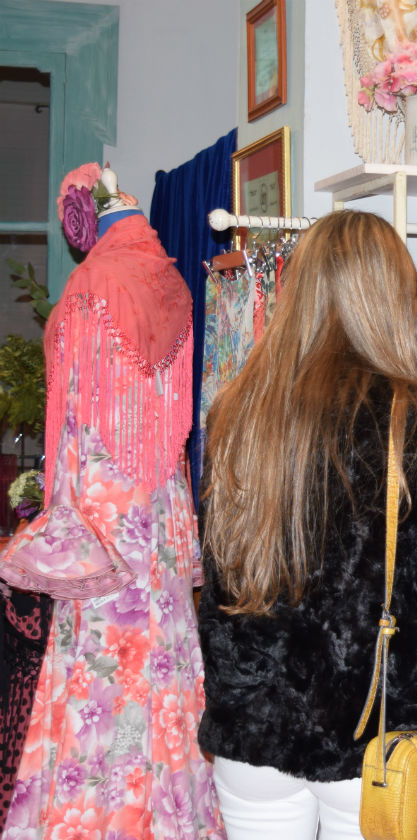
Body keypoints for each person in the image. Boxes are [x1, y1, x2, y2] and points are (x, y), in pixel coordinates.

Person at [197, 210, 417, 839]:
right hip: (378, 738)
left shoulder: (236, 415)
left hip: (254, 730)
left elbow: (220, 589)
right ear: (395, 301)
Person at [0, 165, 222, 838]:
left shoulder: (90, 287)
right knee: (163, 682)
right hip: (155, 518)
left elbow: (71, 429)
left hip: (102, 520)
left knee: (97, 682)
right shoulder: (174, 288)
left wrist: (58, 521)